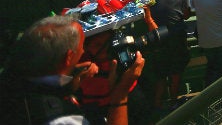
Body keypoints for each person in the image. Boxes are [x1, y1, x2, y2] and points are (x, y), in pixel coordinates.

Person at [0, 15, 144, 125]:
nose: (83, 51)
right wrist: (120, 95)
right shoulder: (62, 118)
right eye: (81, 46)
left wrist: (70, 75)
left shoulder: (9, 81)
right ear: (68, 57)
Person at [146, 0, 192, 110]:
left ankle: (158, 104)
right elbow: (187, 15)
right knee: (176, 72)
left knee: (161, 74)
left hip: (159, 39)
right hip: (177, 39)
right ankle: (173, 101)